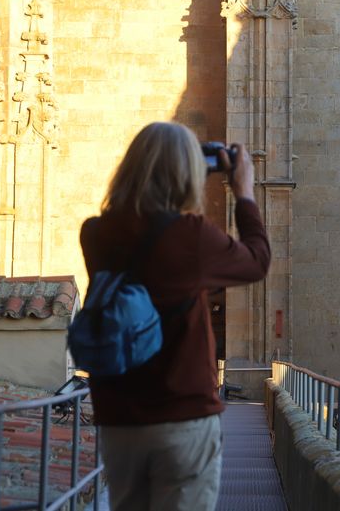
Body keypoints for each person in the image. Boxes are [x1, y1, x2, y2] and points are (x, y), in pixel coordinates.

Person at [80, 122, 270, 511]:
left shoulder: (96, 233)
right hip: (180, 415)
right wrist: (244, 193)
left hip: (118, 417)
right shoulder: (189, 236)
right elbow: (257, 262)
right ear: (186, 173)